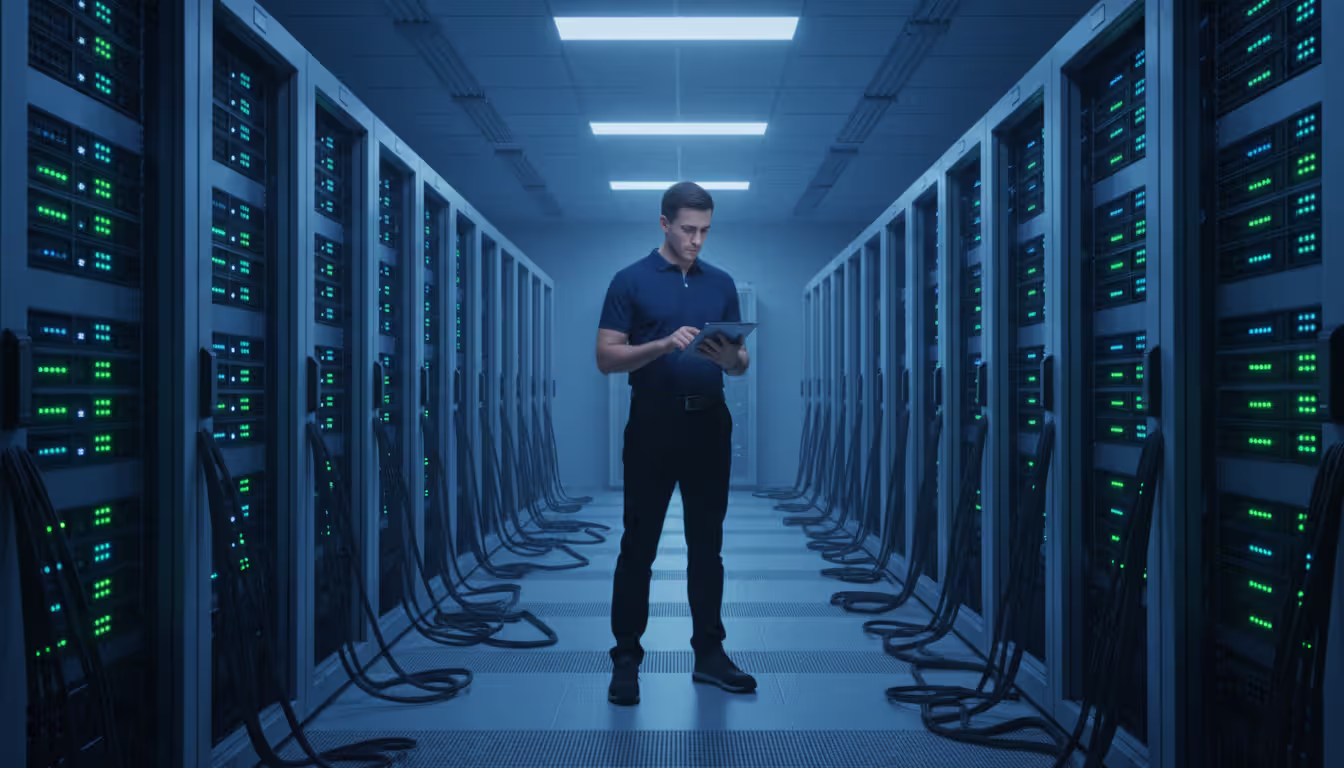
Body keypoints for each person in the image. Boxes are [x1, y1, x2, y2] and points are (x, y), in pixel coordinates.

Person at [594, 182, 758, 706]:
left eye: (705, 231)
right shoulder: (630, 281)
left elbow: (740, 361)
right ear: (664, 224)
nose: (697, 240)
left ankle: (709, 655)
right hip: (653, 425)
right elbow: (605, 356)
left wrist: (731, 359)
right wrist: (663, 344)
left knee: (707, 546)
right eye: (688, 229)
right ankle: (626, 658)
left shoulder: (722, 283)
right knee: (637, 545)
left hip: (709, 424)